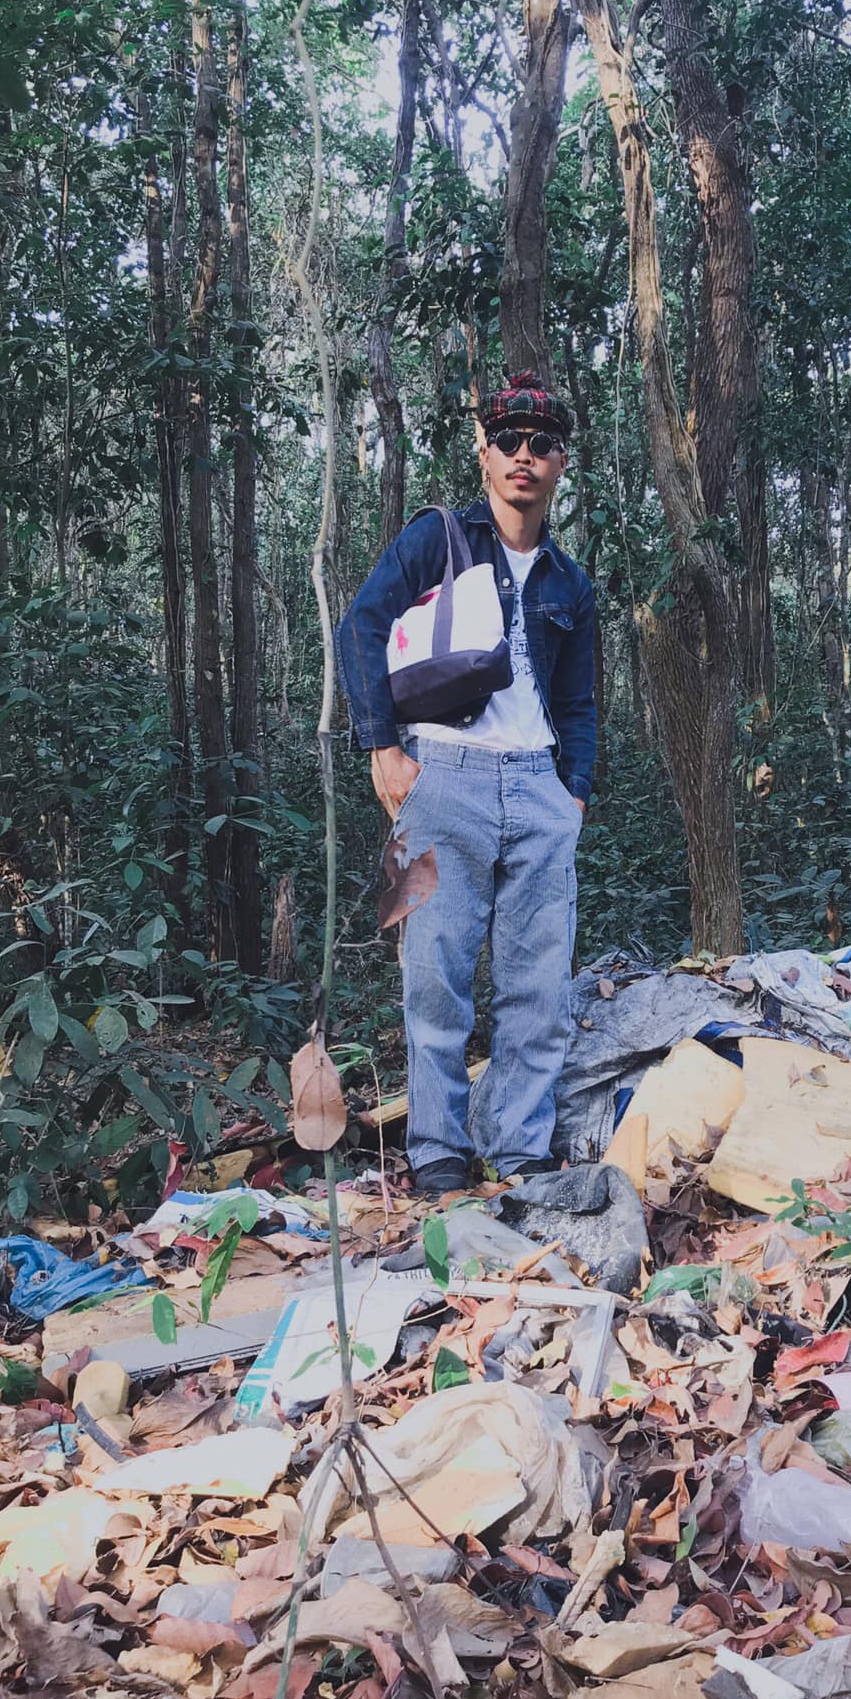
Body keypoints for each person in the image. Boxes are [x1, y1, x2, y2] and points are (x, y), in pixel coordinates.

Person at [336, 371, 596, 1194]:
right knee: (433, 977)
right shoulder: (436, 536)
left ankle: (520, 1156)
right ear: (484, 452)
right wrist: (383, 747)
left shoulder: (570, 583)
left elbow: (581, 700)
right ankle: (439, 1160)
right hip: (438, 778)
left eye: (542, 443)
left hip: (537, 788)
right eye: (510, 440)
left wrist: (574, 789)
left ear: (560, 464)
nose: (525, 455)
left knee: (539, 989)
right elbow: (361, 625)